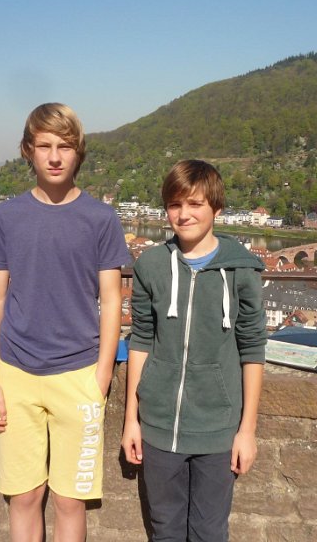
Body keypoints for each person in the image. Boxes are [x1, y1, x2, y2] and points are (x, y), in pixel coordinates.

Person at [0, 102, 130, 542]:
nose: (55, 156)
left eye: (65, 146)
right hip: (15, 375)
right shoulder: (7, 216)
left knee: (69, 501)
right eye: (44, 146)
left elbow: (110, 299)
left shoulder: (101, 219)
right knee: (23, 497)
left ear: (78, 152)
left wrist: (101, 375)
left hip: (78, 374)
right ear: (28, 151)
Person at [121, 159, 267, 541]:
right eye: (174, 205)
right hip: (158, 427)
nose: (183, 215)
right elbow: (140, 341)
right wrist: (131, 421)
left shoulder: (241, 271)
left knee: (209, 532)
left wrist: (246, 431)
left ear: (216, 209)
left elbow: (252, 350)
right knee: (164, 530)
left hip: (218, 430)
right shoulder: (151, 266)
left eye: (195, 204)